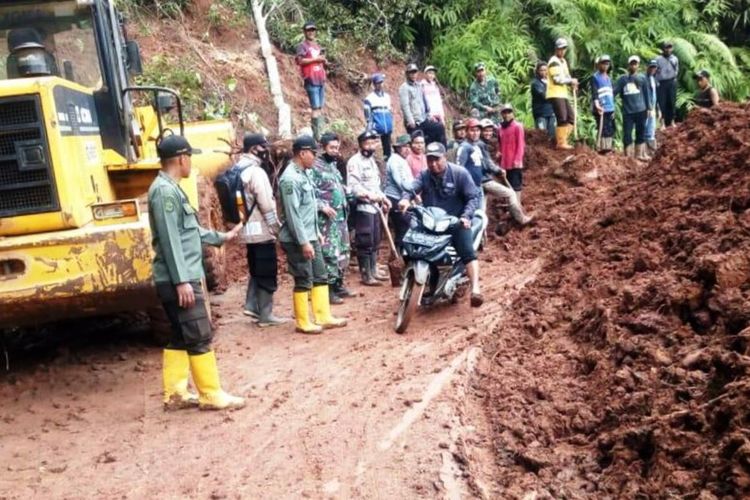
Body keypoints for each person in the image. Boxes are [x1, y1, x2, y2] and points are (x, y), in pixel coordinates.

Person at [148, 134, 245, 411]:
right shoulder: (165, 192)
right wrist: (182, 281)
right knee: (199, 334)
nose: (191, 162)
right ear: (181, 158)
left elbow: (187, 231)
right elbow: (169, 240)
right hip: (180, 277)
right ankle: (211, 394)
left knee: (180, 335)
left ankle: (176, 393)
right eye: (190, 157)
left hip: (178, 276)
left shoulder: (169, 188)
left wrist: (221, 237)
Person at [398, 143, 484, 307]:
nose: (433, 164)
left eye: (437, 159)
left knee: (467, 252)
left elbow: (473, 197)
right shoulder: (425, 175)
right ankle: (415, 276)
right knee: (410, 242)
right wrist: (405, 198)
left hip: (455, 222)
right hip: (431, 222)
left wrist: (465, 217)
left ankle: (476, 288)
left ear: (445, 157)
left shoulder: (460, 174)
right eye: (430, 160)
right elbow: (412, 187)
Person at [279, 135, 347, 334]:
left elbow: (309, 210)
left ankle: (323, 315)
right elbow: (293, 216)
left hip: (310, 236)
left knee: (320, 274)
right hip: (297, 239)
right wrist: (303, 242)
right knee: (303, 278)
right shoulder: (290, 179)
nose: (315, 157)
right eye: (313, 153)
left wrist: (316, 233)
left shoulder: (304, 173)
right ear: (302, 153)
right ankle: (302, 321)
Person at [238, 133, 287, 327]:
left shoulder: (237, 168)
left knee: (256, 269)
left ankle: (252, 305)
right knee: (267, 271)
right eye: (262, 147)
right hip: (261, 230)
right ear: (253, 149)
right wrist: (276, 228)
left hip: (245, 230)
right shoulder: (256, 172)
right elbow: (266, 204)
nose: (266, 151)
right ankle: (266, 315)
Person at [457, 118, 532, 225]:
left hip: (479, 183)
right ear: (467, 131)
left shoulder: (476, 145)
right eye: (472, 130)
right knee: (509, 194)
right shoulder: (467, 147)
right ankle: (521, 219)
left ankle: (481, 238)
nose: (475, 133)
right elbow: (461, 169)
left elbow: (482, 163)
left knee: (480, 213)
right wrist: (498, 170)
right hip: (479, 183)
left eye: (477, 130)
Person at [310, 132, 354, 305]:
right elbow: (310, 192)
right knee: (329, 253)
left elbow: (334, 186)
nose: (335, 151)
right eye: (332, 148)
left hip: (341, 217)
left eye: (337, 147)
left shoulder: (333, 166)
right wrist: (322, 206)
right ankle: (328, 291)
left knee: (343, 252)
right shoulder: (314, 167)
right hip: (326, 220)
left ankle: (338, 285)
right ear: (323, 147)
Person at [347, 130, 391, 286]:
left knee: (375, 240)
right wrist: (369, 196)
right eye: (368, 143)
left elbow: (376, 184)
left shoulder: (372, 161)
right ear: (360, 144)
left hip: (375, 207)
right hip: (363, 207)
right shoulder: (354, 162)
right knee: (365, 240)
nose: (371, 146)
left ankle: (373, 270)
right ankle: (366, 274)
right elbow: (353, 186)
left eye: (373, 143)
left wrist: (383, 198)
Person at [614, 56, 651, 161]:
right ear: (628, 65)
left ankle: (639, 154)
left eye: (636, 64)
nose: (633, 66)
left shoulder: (642, 78)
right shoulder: (622, 79)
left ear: (638, 65)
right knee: (627, 133)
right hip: (628, 112)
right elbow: (615, 91)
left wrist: (649, 108)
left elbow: (647, 93)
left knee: (641, 132)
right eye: (632, 63)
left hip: (641, 110)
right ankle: (628, 156)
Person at [399, 64, 446, 146]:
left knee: (439, 128)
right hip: (414, 122)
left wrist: (428, 115)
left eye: (415, 73)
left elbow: (424, 101)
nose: (413, 75)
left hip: (423, 119)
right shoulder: (404, 87)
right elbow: (405, 106)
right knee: (417, 142)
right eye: (411, 73)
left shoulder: (419, 86)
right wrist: (410, 120)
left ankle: (441, 153)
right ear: (407, 74)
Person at [295, 21, 327, 141]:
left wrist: (323, 60)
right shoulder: (302, 46)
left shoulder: (317, 46)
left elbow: (320, 61)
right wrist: (316, 59)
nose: (311, 32)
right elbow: (300, 61)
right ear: (304, 32)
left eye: (313, 30)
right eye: (309, 30)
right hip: (311, 79)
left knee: (319, 108)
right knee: (315, 107)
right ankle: (317, 135)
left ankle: (321, 133)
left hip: (320, 79)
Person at [383, 134, 415, 249]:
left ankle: (401, 253)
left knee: (405, 226)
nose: (407, 149)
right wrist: (413, 193)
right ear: (397, 148)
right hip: (394, 198)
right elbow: (400, 182)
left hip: (402, 197)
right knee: (403, 226)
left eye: (408, 146)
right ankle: (398, 255)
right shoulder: (395, 161)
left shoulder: (402, 160)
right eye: (404, 146)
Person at [546, 38, 578, 150]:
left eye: (564, 49)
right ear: (556, 49)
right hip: (555, 93)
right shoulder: (553, 61)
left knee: (571, 117)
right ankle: (561, 142)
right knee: (562, 117)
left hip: (563, 94)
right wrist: (570, 81)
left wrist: (572, 82)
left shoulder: (563, 62)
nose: (562, 51)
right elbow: (557, 79)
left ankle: (560, 139)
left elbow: (567, 76)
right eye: (560, 49)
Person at [497, 104, 528, 204]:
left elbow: (521, 144)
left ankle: (517, 205)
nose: (507, 115)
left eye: (509, 112)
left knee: (516, 185)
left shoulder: (517, 126)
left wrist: (518, 159)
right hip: (504, 163)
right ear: (501, 114)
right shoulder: (500, 128)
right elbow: (500, 144)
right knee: (507, 185)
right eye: (504, 112)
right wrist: (499, 153)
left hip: (514, 163)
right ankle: (509, 206)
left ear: (513, 113)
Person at [363, 73, 394, 158]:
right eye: (378, 83)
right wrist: (371, 126)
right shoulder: (369, 98)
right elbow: (367, 116)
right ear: (374, 84)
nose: (380, 85)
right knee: (373, 148)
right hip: (376, 128)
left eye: (381, 82)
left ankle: (387, 164)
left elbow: (389, 111)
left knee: (387, 149)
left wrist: (390, 123)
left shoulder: (387, 97)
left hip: (387, 127)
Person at [591, 55, 616, 153]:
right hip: (601, 107)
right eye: (603, 63)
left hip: (610, 107)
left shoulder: (608, 78)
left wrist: (613, 108)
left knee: (610, 128)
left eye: (607, 64)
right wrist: (597, 105)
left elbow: (611, 94)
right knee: (603, 128)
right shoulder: (595, 77)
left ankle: (608, 147)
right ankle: (602, 148)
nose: (605, 66)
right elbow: (594, 93)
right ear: (599, 65)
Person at [655, 41, 679, 128]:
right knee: (662, 102)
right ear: (663, 49)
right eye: (666, 47)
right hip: (661, 83)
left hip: (671, 82)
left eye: (670, 47)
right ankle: (662, 123)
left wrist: (674, 79)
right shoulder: (658, 59)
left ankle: (672, 121)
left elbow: (676, 70)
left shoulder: (675, 59)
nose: (668, 49)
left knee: (672, 102)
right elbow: (655, 71)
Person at [530, 61, 556, 139]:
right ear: (537, 71)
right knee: (542, 135)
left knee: (552, 135)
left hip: (551, 112)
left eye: (545, 70)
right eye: (542, 70)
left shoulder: (551, 82)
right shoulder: (535, 83)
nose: (544, 72)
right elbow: (544, 96)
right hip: (540, 113)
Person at [645, 60, 660, 154]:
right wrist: (647, 107)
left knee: (651, 129)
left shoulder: (653, 79)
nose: (653, 69)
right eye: (651, 67)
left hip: (653, 107)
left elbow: (655, 95)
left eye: (654, 67)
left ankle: (651, 152)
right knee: (645, 128)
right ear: (647, 67)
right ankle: (643, 151)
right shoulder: (644, 79)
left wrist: (658, 108)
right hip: (646, 108)